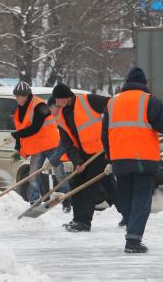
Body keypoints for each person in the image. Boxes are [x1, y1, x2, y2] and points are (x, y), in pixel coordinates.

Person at [102, 66, 163, 253]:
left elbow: (105, 135)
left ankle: (131, 231)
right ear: (144, 84)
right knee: (141, 198)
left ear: (126, 84)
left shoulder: (112, 103)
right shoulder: (149, 101)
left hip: (120, 160)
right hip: (143, 159)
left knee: (126, 197)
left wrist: (109, 158)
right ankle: (133, 240)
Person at [52, 83, 120, 232]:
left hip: (100, 151)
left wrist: (111, 127)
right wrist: (77, 161)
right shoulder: (62, 116)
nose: (56, 103)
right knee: (78, 183)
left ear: (66, 97)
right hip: (82, 153)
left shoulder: (88, 100)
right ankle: (78, 219)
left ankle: (84, 222)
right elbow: (67, 143)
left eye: (58, 99)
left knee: (89, 185)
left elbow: (113, 104)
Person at [10, 81, 71, 212]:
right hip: (37, 147)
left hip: (51, 143)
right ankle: (34, 202)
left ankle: (66, 200)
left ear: (26, 96)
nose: (17, 99)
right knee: (33, 174)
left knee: (59, 172)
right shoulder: (18, 111)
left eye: (19, 96)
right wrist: (17, 148)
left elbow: (35, 128)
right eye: (16, 96)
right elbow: (21, 131)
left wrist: (16, 134)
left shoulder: (39, 106)